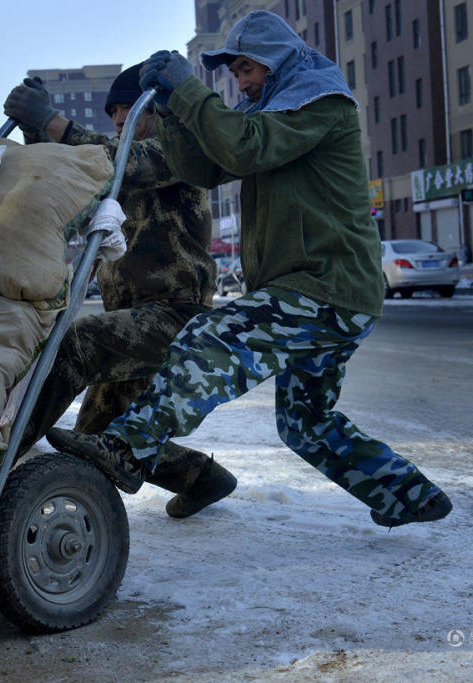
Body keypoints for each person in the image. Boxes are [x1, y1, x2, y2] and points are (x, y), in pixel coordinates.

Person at [47, 11, 452, 528]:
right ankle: (408, 495)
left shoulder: (316, 100)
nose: (241, 82)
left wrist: (189, 92)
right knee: (306, 424)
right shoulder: (273, 108)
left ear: (274, 59)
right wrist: (173, 114)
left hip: (324, 287)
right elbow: (210, 167)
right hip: (320, 294)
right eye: (234, 74)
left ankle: (129, 446)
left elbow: (243, 145)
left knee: (213, 338)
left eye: (246, 69)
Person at [3, 63, 237, 518]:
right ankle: (203, 478)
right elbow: (81, 180)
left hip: (176, 316)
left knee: (78, 341)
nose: (117, 118)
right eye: (112, 110)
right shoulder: (123, 164)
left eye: (128, 108)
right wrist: (37, 134)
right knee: (97, 435)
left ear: (157, 111)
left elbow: (118, 160)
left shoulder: (177, 151)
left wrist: (53, 121)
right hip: (130, 317)